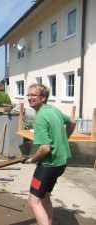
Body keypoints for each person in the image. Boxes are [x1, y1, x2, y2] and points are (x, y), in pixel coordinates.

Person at [24, 84, 76, 225]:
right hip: (60, 163)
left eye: (33, 95)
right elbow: (72, 122)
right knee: (45, 196)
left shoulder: (41, 116)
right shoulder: (53, 109)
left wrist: (32, 160)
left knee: (33, 201)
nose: (29, 98)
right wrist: (64, 138)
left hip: (47, 166)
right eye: (28, 95)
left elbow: (45, 149)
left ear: (43, 97)